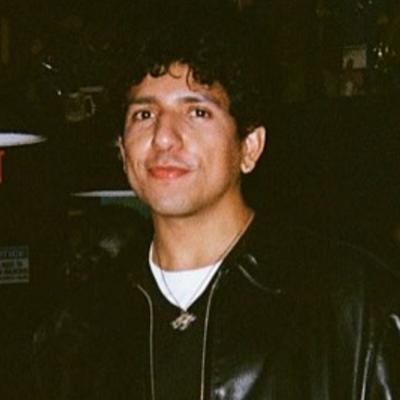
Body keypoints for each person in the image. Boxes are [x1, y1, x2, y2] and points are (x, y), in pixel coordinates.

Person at [32, 7, 400, 400]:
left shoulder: (346, 303)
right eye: (144, 113)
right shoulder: (79, 326)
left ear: (250, 146)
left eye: (197, 112)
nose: (164, 137)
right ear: (122, 151)